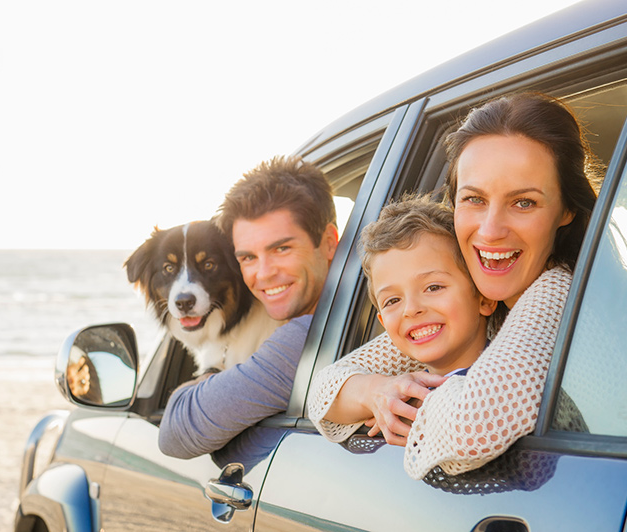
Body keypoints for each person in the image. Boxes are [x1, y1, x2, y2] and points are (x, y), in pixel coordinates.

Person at [307, 92, 600, 480]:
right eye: (474, 199)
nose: (491, 230)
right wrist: (377, 392)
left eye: (524, 202)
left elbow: (471, 428)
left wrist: (414, 401)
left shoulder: (555, 293)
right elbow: (324, 388)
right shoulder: (480, 307)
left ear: (567, 209)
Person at [158, 155, 339, 459]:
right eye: (247, 258)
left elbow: (175, 435)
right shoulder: (352, 312)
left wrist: (209, 376)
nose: (264, 274)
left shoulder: (304, 339)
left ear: (330, 241)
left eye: (281, 248)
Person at [360, 194, 496, 381]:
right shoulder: (400, 397)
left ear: (485, 297)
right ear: (383, 323)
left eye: (433, 288)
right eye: (393, 300)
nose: (411, 309)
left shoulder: (505, 382)